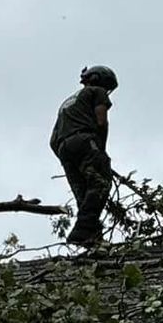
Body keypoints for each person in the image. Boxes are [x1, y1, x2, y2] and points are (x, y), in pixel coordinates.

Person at [50, 64, 117, 247]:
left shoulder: (67, 104)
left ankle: (93, 237)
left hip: (63, 148)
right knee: (101, 183)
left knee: (84, 193)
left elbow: (53, 140)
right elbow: (101, 121)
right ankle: (82, 230)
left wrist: (67, 157)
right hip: (85, 141)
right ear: (98, 80)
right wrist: (99, 151)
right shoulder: (97, 92)